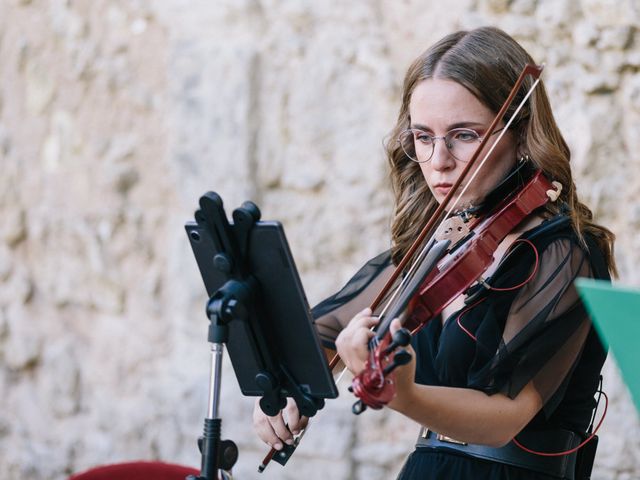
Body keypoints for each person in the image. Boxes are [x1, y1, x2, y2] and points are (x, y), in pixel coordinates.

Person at [253, 26, 616, 480]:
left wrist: (404, 395)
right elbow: (322, 331)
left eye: (464, 136)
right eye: (423, 138)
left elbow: (505, 417)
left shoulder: (563, 252)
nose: (439, 161)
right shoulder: (438, 246)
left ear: (522, 136)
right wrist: (287, 387)